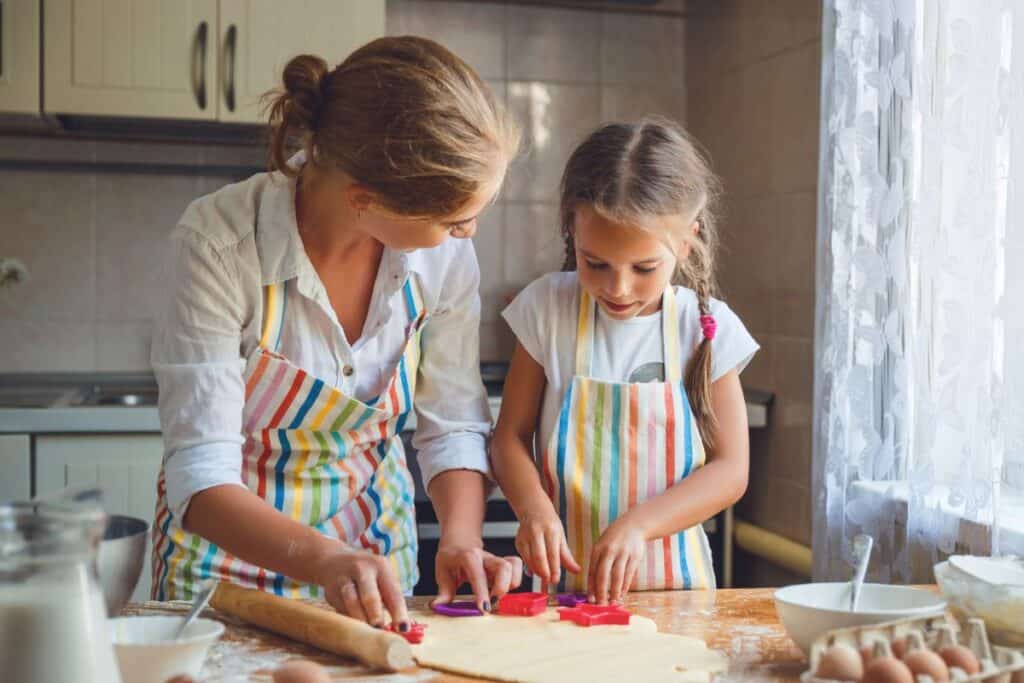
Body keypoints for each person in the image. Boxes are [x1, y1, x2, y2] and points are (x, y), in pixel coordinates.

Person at [149, 36, 522, 631]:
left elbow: (450, 422)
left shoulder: (443, 260)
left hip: (375, 565)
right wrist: (323, 559)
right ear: (364, 200)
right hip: (222, 581)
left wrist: (460, 537)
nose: (467, 233)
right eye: (454, 220)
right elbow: (202, 474)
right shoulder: (219, 244)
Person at [492, 117, 758, 604]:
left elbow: (731, 469)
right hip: (564, 595)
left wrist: (640, 525)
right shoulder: (546, 308)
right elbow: (509, 437)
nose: (617, 288)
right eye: (595, 263)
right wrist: (532, 509)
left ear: (685, 242)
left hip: (677, 594)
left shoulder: (702, 328)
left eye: (644, 268)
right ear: (572, 230)